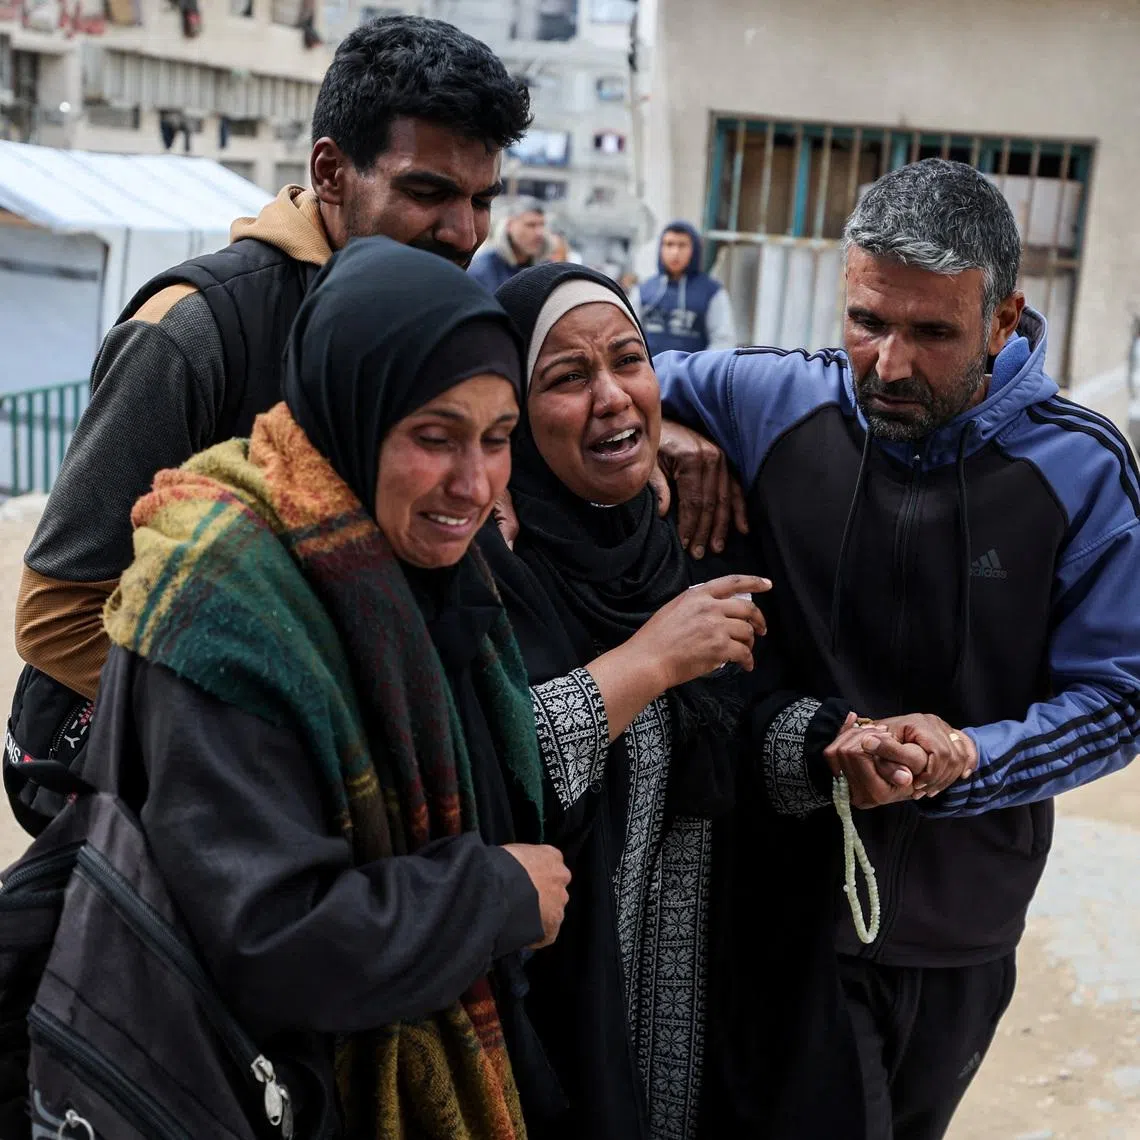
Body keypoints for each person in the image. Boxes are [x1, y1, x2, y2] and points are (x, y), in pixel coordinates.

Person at [651, 159, 1140, 1139]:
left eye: (932, 332)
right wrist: (670, 429)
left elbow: (1121, 699)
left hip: (958, 925)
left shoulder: (1082, 472)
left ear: (1003, 323)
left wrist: (967, 758)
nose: (890, 362)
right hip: (778, 906)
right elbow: (597, 386)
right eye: (868, 321)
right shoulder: (768, 400)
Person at [85, 238, 571, 1138]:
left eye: (498, 440)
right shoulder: (226, 605)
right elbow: (271, 936)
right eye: (434, 436)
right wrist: (495, 897)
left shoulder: (429, 574)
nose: (474, 483)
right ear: (354, 407)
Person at [8, 13, 532, 831]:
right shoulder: (194, 332)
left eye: (481, 200)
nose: (463, 232)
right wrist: (267, 731)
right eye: (427, 192)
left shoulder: (444, 321)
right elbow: (56, 616)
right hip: (175, 821)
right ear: (331, 170)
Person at [480, 262, 879, 1139]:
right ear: (509, 409)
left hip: (697, 1012)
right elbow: (481, 775)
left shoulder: (685, 531)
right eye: (567, 378)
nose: (614, 398)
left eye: (630, 360)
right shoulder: (485, 563)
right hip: (560, 1022)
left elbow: (735, 732)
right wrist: (645, 663)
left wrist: (831, 748)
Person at [631, 222, 737, 356]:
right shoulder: (643, 291)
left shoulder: (712, 292)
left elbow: (723, 340)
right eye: (669, 244)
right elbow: (630, 336)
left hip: (693, 375)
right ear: (660, 248)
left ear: (694, 249)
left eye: (682, 245)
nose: (675, 252)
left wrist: (699, 370)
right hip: (649, 373)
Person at [469, 198, 549, 291]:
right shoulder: (482, 270)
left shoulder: (547, 268)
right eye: (530, 225)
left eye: (542, 225)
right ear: (510, 225)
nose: (539, 232)